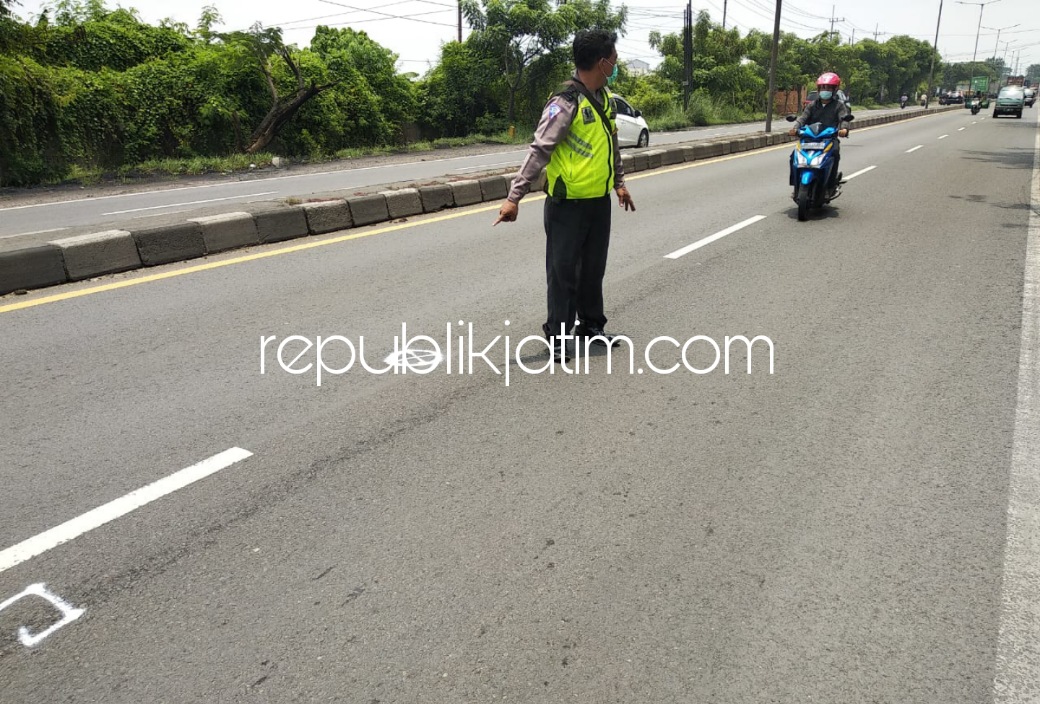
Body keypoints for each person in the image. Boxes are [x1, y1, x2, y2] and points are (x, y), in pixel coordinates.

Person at [494, 28, 636, 362]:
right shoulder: (564, 103)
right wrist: (514, 197)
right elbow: (539, 150)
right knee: (563, 273)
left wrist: (619, 182)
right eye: (613, 59)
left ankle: (590, 326)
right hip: (566, 205)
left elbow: (611, 142)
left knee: (592, 270)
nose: (616, 64)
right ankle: (557, 335)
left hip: (598, 202)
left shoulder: (605, 99)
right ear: (602, 62)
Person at [789, 72, 851, 196]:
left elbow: (843, 119)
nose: (825, 90)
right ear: (818, 89)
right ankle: (796, 185)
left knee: (834, 155)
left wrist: (843, 129)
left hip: (829, 139)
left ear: (834, 89)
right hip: (810, 138)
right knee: (793, 157)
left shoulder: (839, 106)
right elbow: (803, 118)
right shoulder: (812, 106)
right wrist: (795, 128)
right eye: (823, 87)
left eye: (828, 88)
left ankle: (830, 186)